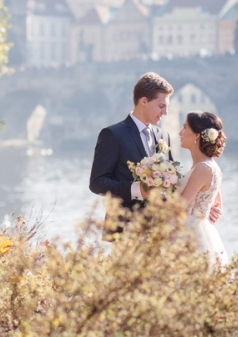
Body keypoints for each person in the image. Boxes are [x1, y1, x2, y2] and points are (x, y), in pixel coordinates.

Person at [89, 73, 223, 231]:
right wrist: (137, 190)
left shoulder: (163, 136)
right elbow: (97, 183)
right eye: (161, 106)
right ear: (144, 101)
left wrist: (203, 201)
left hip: (160, 231)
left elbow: (173, 183)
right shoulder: (113, 135)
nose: (165, 112)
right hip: (125, 229)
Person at [176, 111, 229, 267]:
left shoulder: (203, 168)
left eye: (185, 127)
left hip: (190, 235)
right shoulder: (206, 167)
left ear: (197, 135)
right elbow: (216, 202)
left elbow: (178, 206)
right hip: (196, 229)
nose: (180, 132)